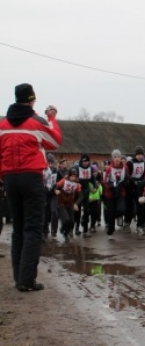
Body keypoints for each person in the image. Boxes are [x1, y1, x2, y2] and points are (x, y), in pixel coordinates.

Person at [0, 84, 62, 291]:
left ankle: (19, 277)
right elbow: (55, 141)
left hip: (10, 178)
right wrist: (51, 118)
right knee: (33, 228)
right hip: (31, 177)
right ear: (32, 99)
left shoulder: (3, 124)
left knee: (18, 228)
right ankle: (27, 280)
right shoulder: (36, 122)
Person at [103, 149, 129, 241]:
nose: (117, 159)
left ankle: (118, 216)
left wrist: (125, 183)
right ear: (112, 158)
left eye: (118, 156)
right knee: (110, 214)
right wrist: (111, 185)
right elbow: (105, 182)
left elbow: (127, 178)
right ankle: (110, 232)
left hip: (121, 192)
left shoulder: (124, 167)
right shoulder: (109, 168)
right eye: (115, 157)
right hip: (110, 194)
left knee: (122, 209)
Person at [72, 154, 96, 237]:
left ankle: (85, 230)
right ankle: (76, 227)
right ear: (81, 161)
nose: (86, 163)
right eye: (84, 161)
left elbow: (93, 179)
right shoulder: (76, 168)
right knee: (77, 211)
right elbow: (72, 178)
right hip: (78, 191)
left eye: (87, 161)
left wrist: (95, 187)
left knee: (87, 211)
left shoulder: (91, 169)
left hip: (86, 191)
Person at [56, 169, 83, 243]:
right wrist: (56, 191)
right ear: (69, 176)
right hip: (61, 203)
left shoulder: (77, 185)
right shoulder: (63, 181)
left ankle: (65, 233)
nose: (73, 178)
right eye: (72, 176)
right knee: (66, 220)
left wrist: (76, 204)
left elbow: (81, 196)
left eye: (75, 176)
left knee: (71, 222)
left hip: (70, 203)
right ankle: (62, 229)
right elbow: (56, 186)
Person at [125, 146, 145, 234]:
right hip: (130, 187)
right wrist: (132, 182)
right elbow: (127, 175)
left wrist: (142, 183)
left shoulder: (144, 163)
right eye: (138, 154)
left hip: (139, 188)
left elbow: (144, 174)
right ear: (135, 154)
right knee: (130, 207)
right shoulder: (130, 163)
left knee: (141, 207)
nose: (140, 156)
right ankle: (127, 223)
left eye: (141, 154)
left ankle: (139, 226)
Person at [43, 153, 59, 241]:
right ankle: (45, 229)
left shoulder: (56, 170)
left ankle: (54, 230)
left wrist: (57, 188)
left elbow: (60, 181)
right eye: (48, 163)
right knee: (45, 212)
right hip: (45, 193)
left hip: (53, 194)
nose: (50, 165)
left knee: (54, 211)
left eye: (51, 163)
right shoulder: (43, 170)